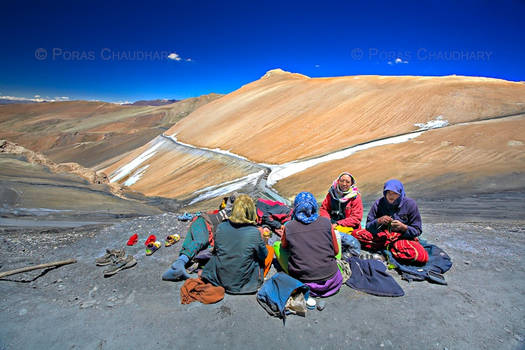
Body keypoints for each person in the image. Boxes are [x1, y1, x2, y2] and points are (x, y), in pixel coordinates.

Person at [201, 194, 273, 294]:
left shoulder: (221, 226)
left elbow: (216, 250)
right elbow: (263, 255)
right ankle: (260, 276)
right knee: (270, 250)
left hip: (220, 279)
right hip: (244, 285)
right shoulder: (254, 232)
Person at [274, 192, 343, 297]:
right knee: (336, 236)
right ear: (314, 206)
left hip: (304, 282)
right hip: (332, 280)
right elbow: (336, 251)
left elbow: (284, 246)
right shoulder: (326, 222)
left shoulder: (289, 226)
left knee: (277, 245)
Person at [162, 194, 237, 281]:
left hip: (210, 235)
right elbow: (231, 201)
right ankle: (179, 263)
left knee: (206, 248)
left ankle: (181, 266)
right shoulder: (227, 211)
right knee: (201, 240)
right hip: (203, 222)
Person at [353, 179, 429, 265]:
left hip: (401, 238)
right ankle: (392, 251)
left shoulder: (410, 204)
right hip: (382, 236)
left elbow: (417, 230)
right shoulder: (379, 203)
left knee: (419, 256)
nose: (391, 196)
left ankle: (386, 255)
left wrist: (403, 227)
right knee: (356, 234)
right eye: (388, 192)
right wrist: (378, 221)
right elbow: (368, 226)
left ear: (400, 194)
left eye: (395, 193)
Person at [319, 172, 363, 254]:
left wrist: (338, 223)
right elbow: (324, 209)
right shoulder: (332, 193)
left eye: (347, 182)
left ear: (351, 184)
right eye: (342, 181)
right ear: (338, 181)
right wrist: (327, 221)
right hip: (331, 224)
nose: (344, 184)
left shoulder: (355, 197)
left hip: (348, 227)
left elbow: (356, 218)